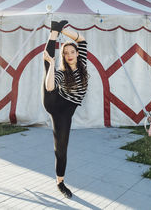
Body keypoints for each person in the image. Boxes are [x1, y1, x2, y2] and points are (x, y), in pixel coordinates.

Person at [42, 20, 88, 198]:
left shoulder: (82, 61)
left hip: (68, 110)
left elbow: (81, 39)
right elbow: (49, 87)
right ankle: (52, 34)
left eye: (72, 52)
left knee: (62, 147)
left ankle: (59, 181)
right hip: (54, 103)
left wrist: (63, 30)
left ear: (77, 53)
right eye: (66, 53)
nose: (69, 55)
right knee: (47, 65)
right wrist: (53, 65)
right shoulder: (62, 72)